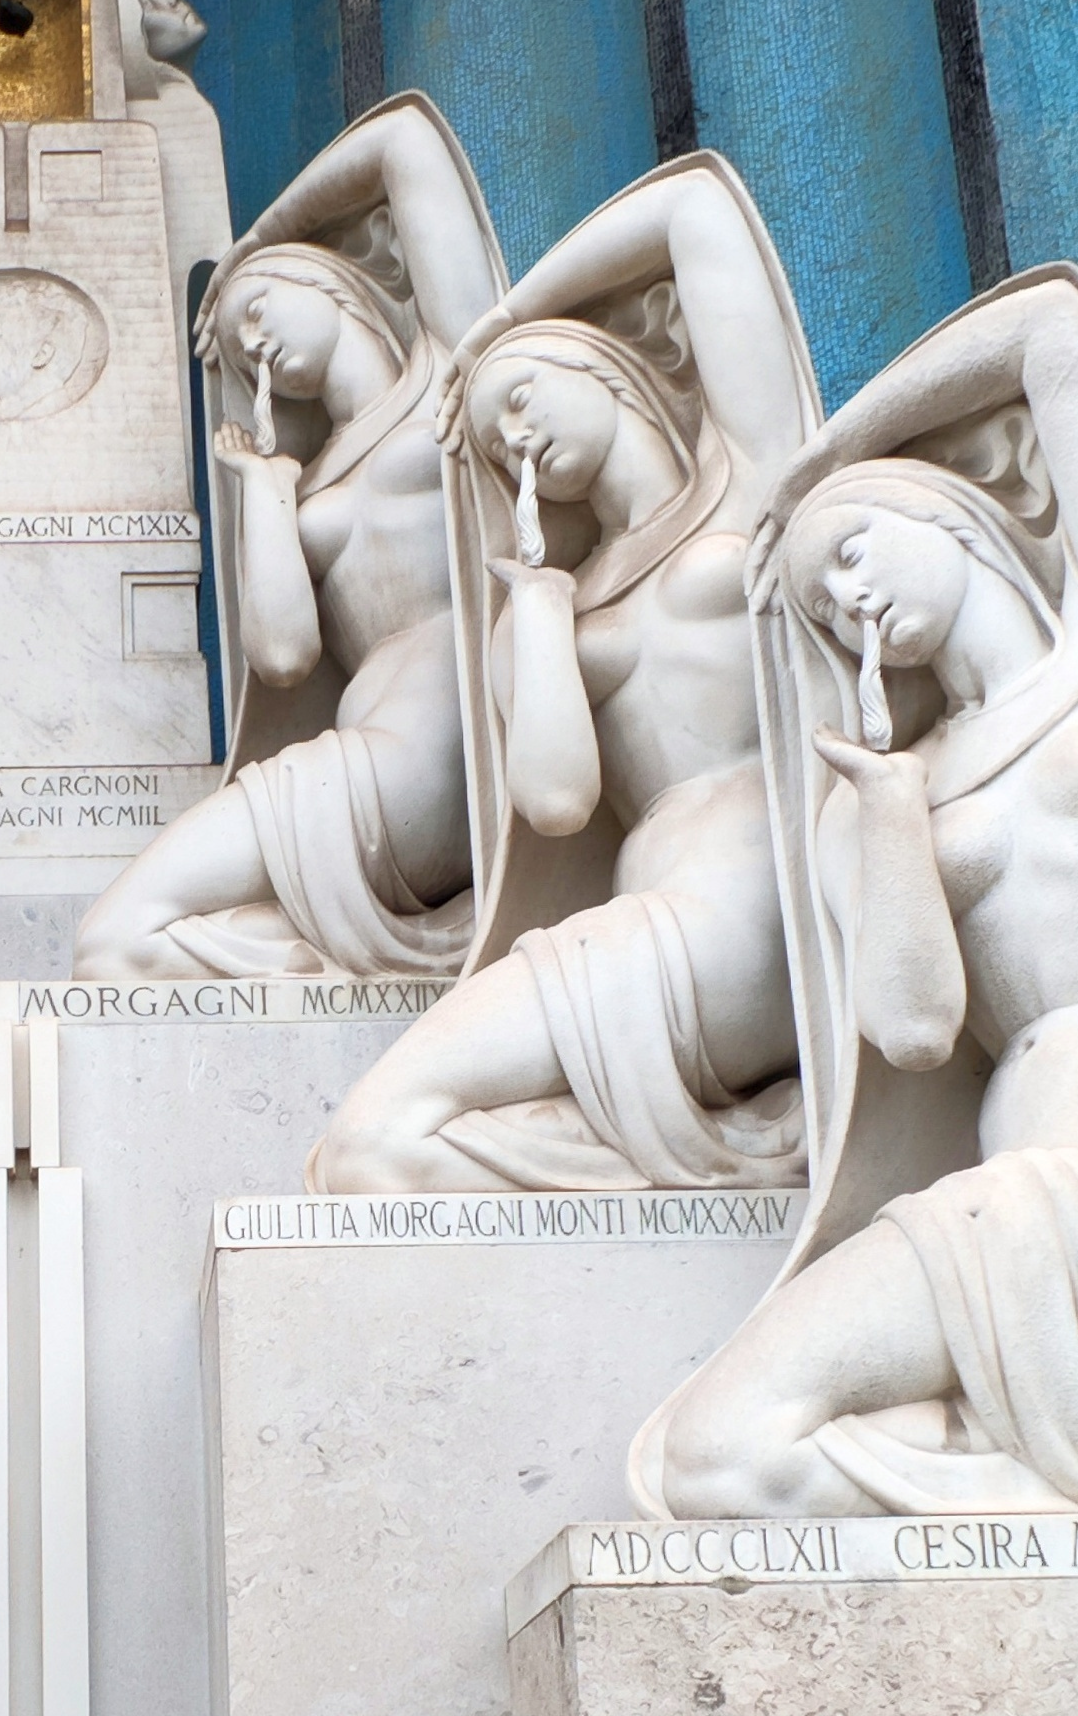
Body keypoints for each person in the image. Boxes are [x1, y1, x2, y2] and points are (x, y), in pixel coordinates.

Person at [645, 270, 1078, 1514]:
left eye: (853, 553)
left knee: (718, 1450)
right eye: (817, 600)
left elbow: (1053, 332)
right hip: (1018, 1197)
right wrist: (891, 812)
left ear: (955, 515)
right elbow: (912, 1029)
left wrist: (825, 464)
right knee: (716, 1459)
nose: (843, 597)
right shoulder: (873, 796)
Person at [309, 153, 814, 1186]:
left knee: (380, 1137)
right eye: (492, 433)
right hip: (656, 931)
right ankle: (740, 1144)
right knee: (370, 1147)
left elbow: (696, 208)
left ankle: (727, 1136)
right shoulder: (545, 605)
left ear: (607, 369)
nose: (511, 431)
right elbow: (552, 801)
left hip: (751, 912)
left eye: (525, 396)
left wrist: (498, 328)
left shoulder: (748, 490)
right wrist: (536, 612)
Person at [72, 94, 500, 980]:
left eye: (262, 309)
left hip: (432, 757)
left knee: (119, 933)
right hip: (365, 776)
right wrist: (267, 497)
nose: (250, 340)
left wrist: (249, 249)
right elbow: (281, 656)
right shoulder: (305, 481)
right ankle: (340, 961)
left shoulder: (448, 386)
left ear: (333, 281)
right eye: (234, 340)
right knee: (118, 946)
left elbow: (402, 141)